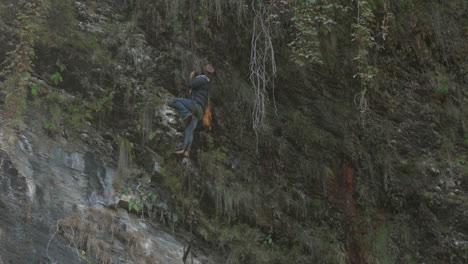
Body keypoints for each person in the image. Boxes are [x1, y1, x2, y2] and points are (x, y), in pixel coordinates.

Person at [169, 64, 215, 158]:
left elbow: (189, 84)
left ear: (204, 71)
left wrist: (190, 76)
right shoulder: (206, 83)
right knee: (189, 130)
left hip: (195, 106)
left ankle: (187, 113)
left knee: (175, 100)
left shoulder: (202, 79)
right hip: (200, 111)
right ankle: (185, 151)